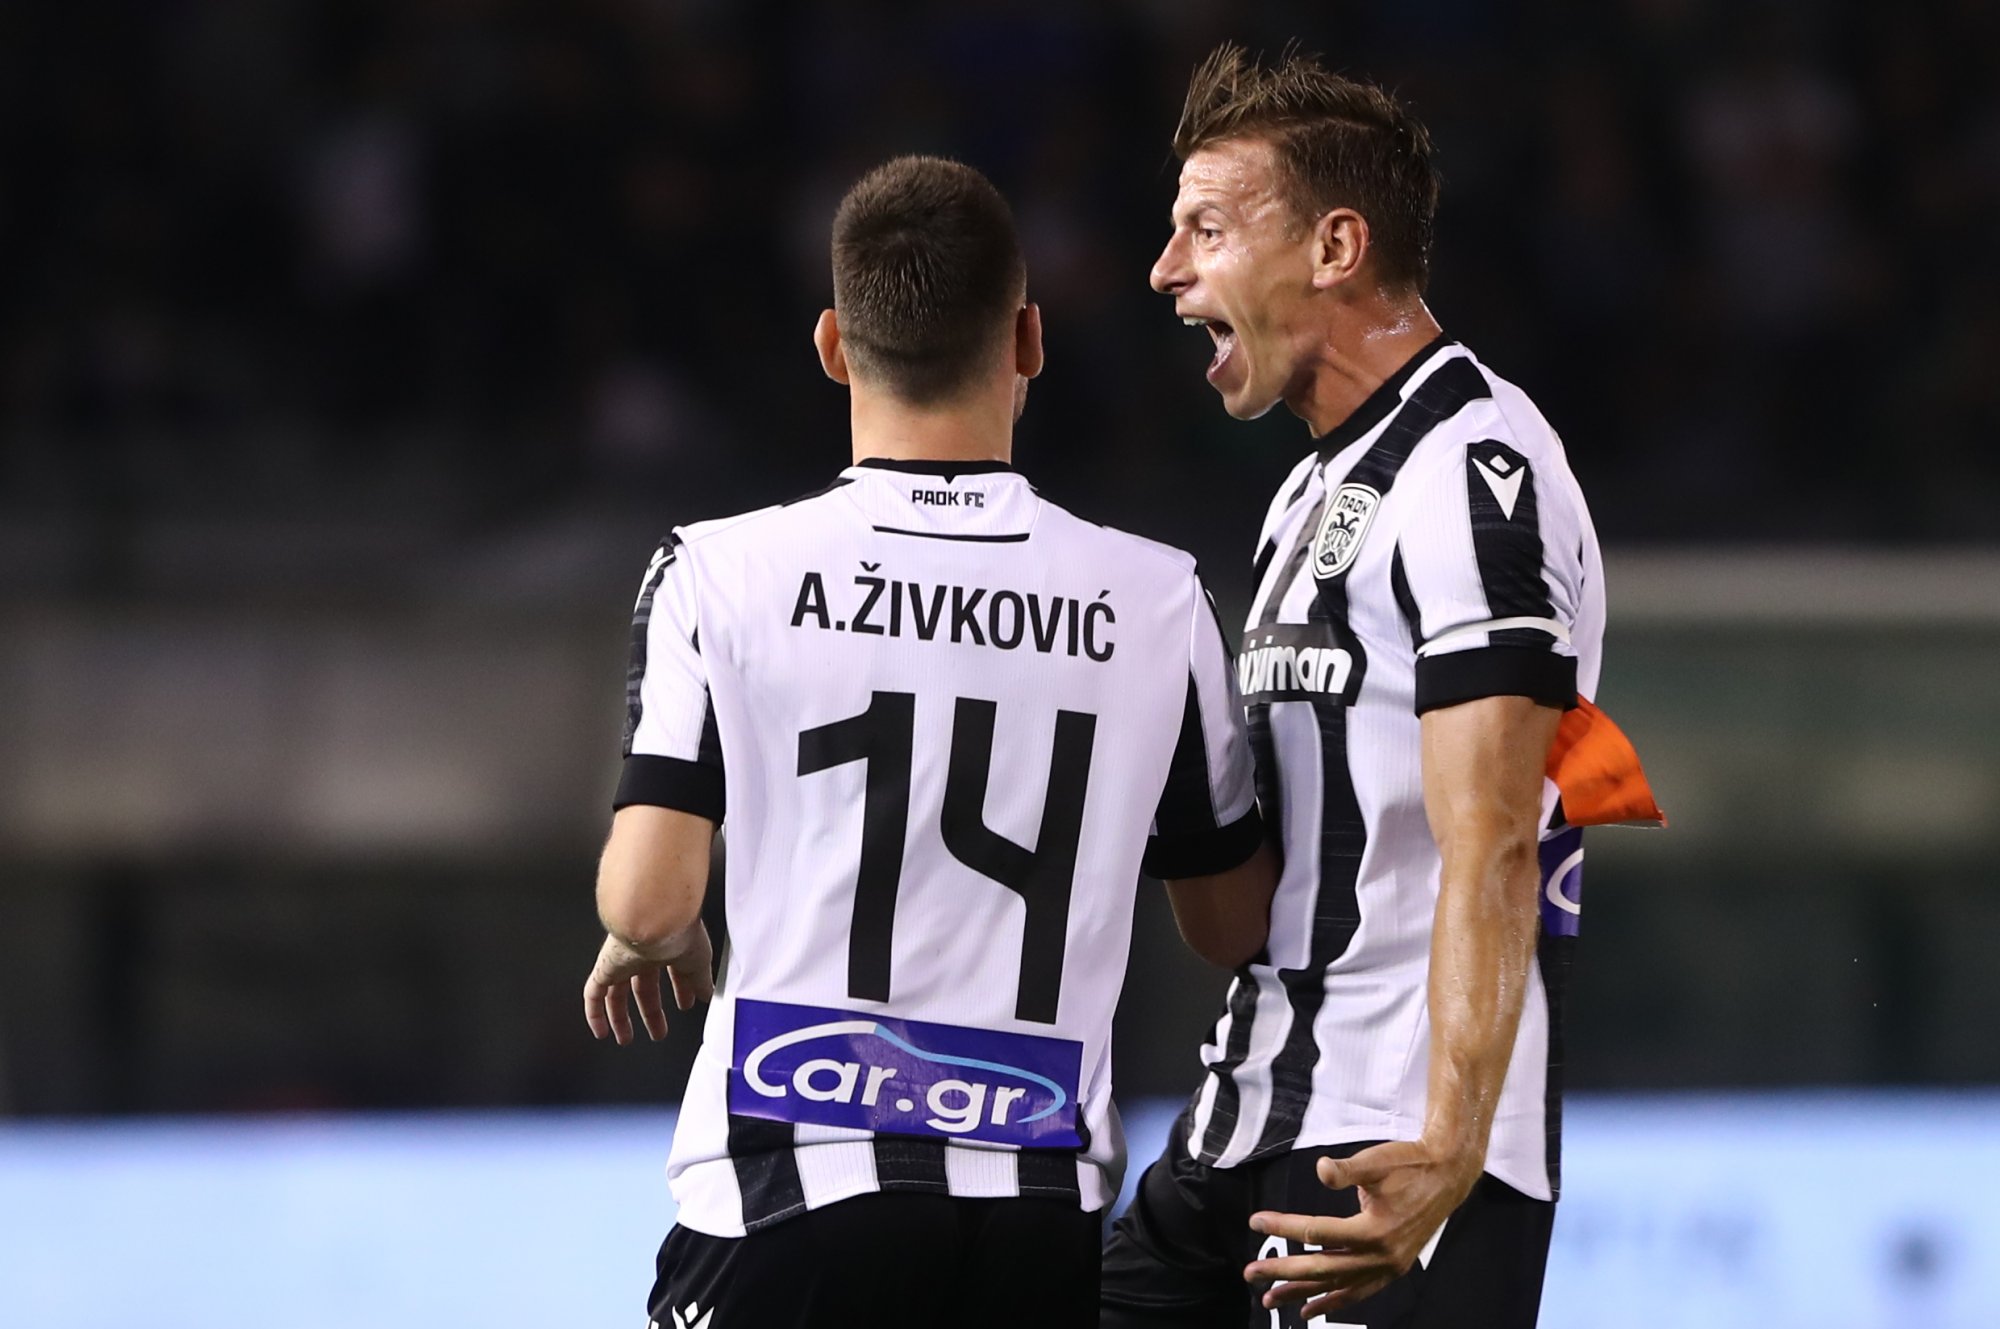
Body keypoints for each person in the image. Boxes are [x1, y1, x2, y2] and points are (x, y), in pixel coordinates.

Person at [580, 154, 1279, 1329]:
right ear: (1028, 341)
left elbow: (648, 905)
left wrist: (658, 931)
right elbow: (1231, 927)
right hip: (1035, 1212)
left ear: (831, 345)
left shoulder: (718, 572)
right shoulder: (1158, 599)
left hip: (788, 1189)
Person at [1099, 45, 1660, 1328]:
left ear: (1335, 247)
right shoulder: (1304, 493)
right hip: (1240, 1123)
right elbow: (1248, 908)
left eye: (1205, 230)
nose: (1166, 270)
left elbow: (1495, 838)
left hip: (1387, 1151)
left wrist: (1446, 1153)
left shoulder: (1473, 466)